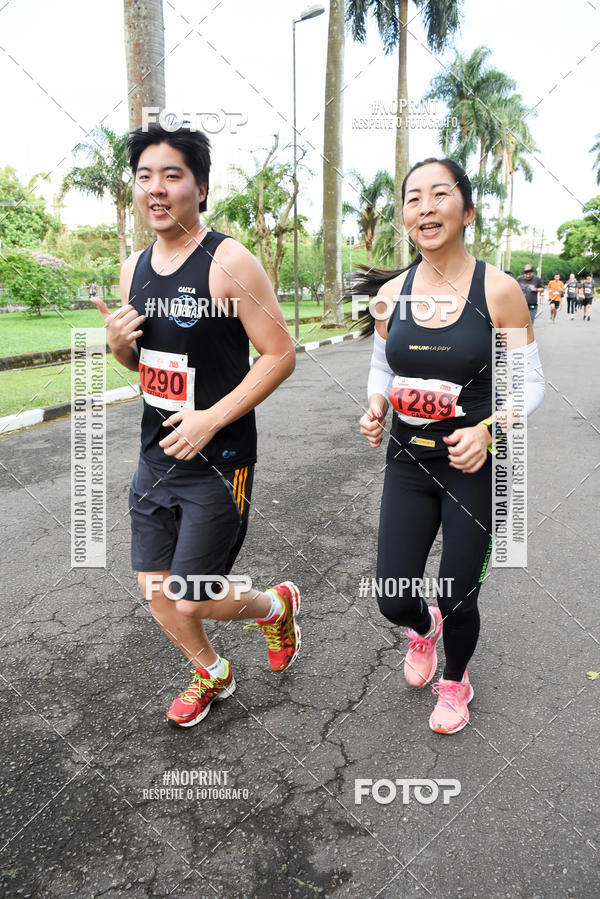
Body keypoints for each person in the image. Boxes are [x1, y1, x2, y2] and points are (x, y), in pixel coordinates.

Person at [91, 123, 300, 729]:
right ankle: (212, 671)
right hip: (155, 458)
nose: (156, 189)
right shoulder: (135, 267)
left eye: (172, 175)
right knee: (155, 591)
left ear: (200, 188)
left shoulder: (227, 261)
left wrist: (211, 419)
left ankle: (275, 605)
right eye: (144, 177)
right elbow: (146, 366)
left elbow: (280, 354)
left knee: (193, 593)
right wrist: (118, 348)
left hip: (219, 460)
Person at [356, 157, 545, 734]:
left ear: (465, 210)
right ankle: (423, 629)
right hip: (408, 461)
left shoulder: (501, 290)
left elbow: (530, 382)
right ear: (406, 218)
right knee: (393, 597)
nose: (426, 207)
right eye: (414, 198)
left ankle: (456, 681)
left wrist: (489, 431)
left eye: (440, 195)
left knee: (460, 592)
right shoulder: (391, 295)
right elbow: (381, 366)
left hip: (475, 466)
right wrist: (376, 404)